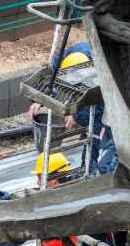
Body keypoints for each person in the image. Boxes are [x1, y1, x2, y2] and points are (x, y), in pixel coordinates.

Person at [27, 44, 116, 174]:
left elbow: (99, 102)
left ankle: (93, 170)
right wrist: (39, 99)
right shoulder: (61, 60)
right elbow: (49, 80)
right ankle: (88, 169)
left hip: (108, 102)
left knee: (97, 134)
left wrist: (76, 115)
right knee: (92, 134)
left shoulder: (102, 69)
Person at [30, 153, 81, 246]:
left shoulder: (52, 208)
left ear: (53, 180)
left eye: (40, 177)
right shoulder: (71, 196)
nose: (38, 182)